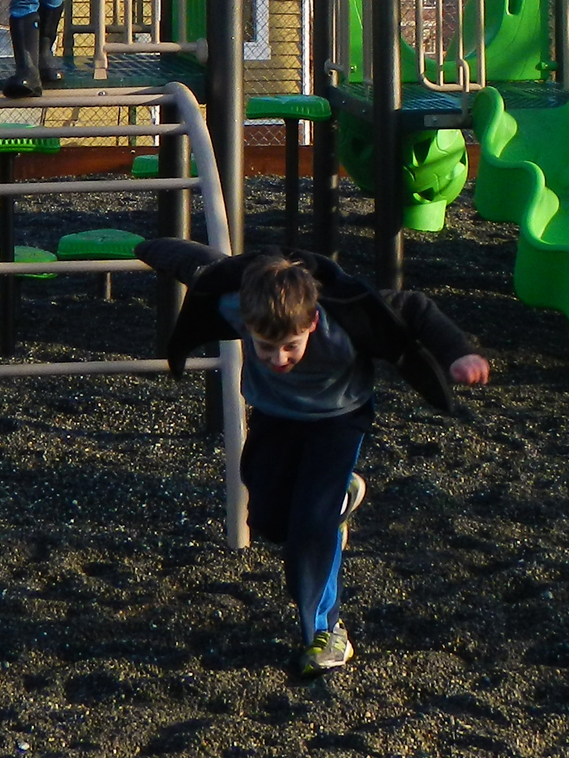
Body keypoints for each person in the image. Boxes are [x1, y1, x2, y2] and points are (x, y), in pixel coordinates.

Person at [140, 239, 489, 678]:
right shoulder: (238, 306)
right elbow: (201, 269)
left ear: (312, 321)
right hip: (276, 417)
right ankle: (342, 499)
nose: (277, 357)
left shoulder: (344, 316)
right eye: (265, 347)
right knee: (268, 518)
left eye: (290, 345)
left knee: (311, 527)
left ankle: (327, 632)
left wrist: (459, 353)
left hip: (338, 420)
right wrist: (148, 247)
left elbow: (414, 309)